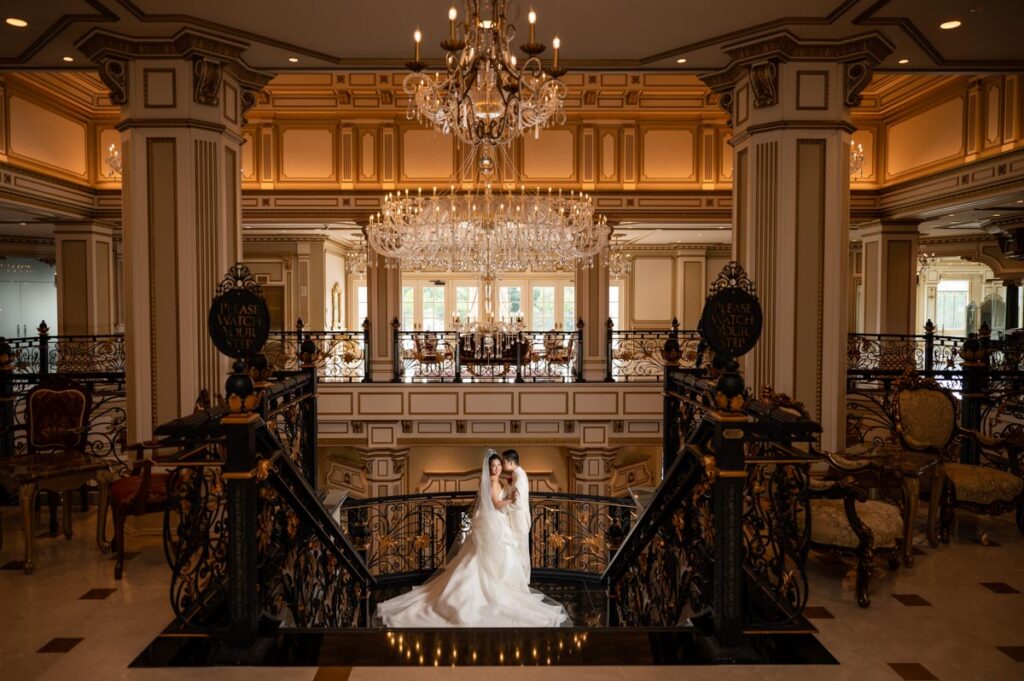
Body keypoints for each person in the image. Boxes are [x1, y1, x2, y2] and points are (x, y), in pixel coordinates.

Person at [375, 450, 568, 628]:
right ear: (488, 468)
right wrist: (511, 500)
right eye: (493, 466)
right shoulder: (492, 483)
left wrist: (508, 488)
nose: (496, 468)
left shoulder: (501, 481)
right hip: (492, 522)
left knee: (490, 558)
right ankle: (489, 592)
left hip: (495, 522)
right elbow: (496, 503)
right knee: (485, 560)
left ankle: (499, 587)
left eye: (498, 465)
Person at [501, 449, 531, 584]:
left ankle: (524, 584)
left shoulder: (520, 478)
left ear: (511, 462)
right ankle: (519, 582)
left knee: (522, 553)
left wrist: (502, 508)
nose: (502, 465)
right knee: (516, 552)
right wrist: (508, 486)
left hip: (519, 521)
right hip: (515, 520)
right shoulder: (515, 476)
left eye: (504, 462)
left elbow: (518, 504)